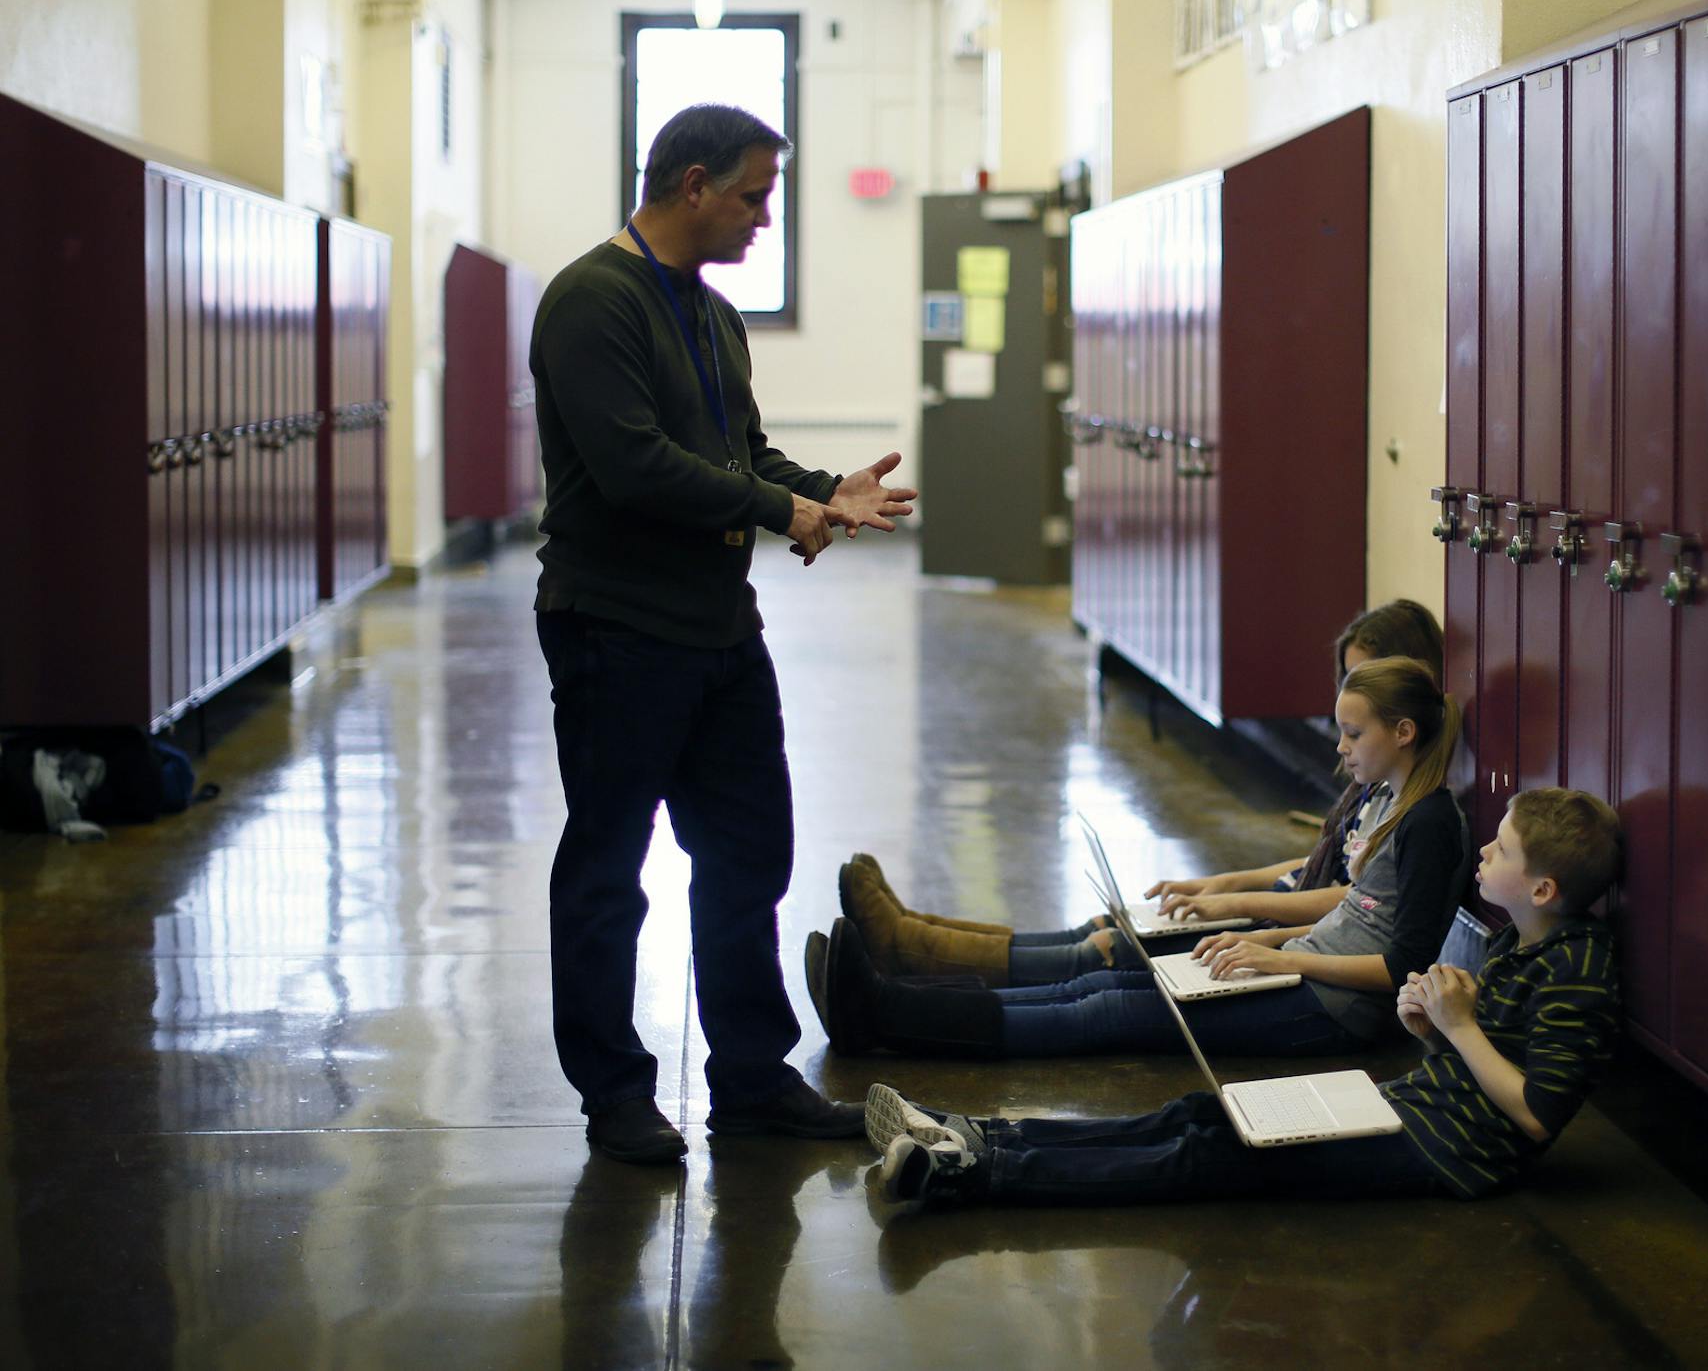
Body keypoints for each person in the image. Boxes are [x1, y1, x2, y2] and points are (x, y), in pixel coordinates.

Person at [531, 102, 918, 1163]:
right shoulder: (591, 301)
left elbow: (738, 451)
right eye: (753, 195)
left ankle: (750, 1081)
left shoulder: (712, 313)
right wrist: (777, 510)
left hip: (716, 631)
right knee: (609, 867)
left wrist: (820, 491)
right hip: (616, 629)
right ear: (691, 184)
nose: (763, 218)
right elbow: (635, 466)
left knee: (749, 855)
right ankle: (613, 1095)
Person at [860, 787, 1624, 1212]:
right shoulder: (1517, 942)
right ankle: (978, 1135)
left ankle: (974, 1173)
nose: (1483, 854)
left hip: (1448, 1151)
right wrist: (1430, 1029)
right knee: (1199, 1113)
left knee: (1208, 1154)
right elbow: (1471, 1062)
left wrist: (1456, 1026)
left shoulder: (1578, 973)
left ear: (1543, 889)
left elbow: (1532, 1113)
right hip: (1414, 1105)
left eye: (1500, 850)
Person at [807, 656, 1471, 1060]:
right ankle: (899, 988)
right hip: (1303, 970)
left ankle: (887, 1013)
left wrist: (1278, 953)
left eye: (1354, 734)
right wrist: (1270, 938)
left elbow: (1401, 962)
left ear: (1404, 732)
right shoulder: (1391, 798)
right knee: (1101, 984)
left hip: (1332, 1013)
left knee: (1106, 1007)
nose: (1341, 749)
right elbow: (1352, 912)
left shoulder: (1430, 822)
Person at [834, 600, 1469, 986]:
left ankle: (914, 956)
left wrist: (1237, 905)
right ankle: (915, 937)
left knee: (1109, 953)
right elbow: (1318, 865)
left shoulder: (1416, 805)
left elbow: (1352, 903)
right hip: (1287, 921)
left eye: (1358, 695)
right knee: (1110, 925)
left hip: (1295, 935)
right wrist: (1220, 885)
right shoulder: (1376, 778)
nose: (1340, 738)